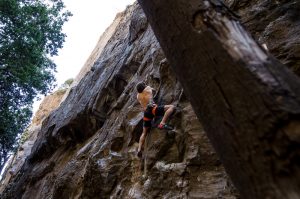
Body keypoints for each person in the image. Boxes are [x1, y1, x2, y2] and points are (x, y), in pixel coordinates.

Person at [136, 82, 174, 158]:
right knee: (171, 107)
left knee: (144, 132)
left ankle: (139, 149)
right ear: (144, 86)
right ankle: (162, 123)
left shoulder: (138, 96)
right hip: (153, 109)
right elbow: (155, 90)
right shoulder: (148, 88)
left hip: (146, 113)